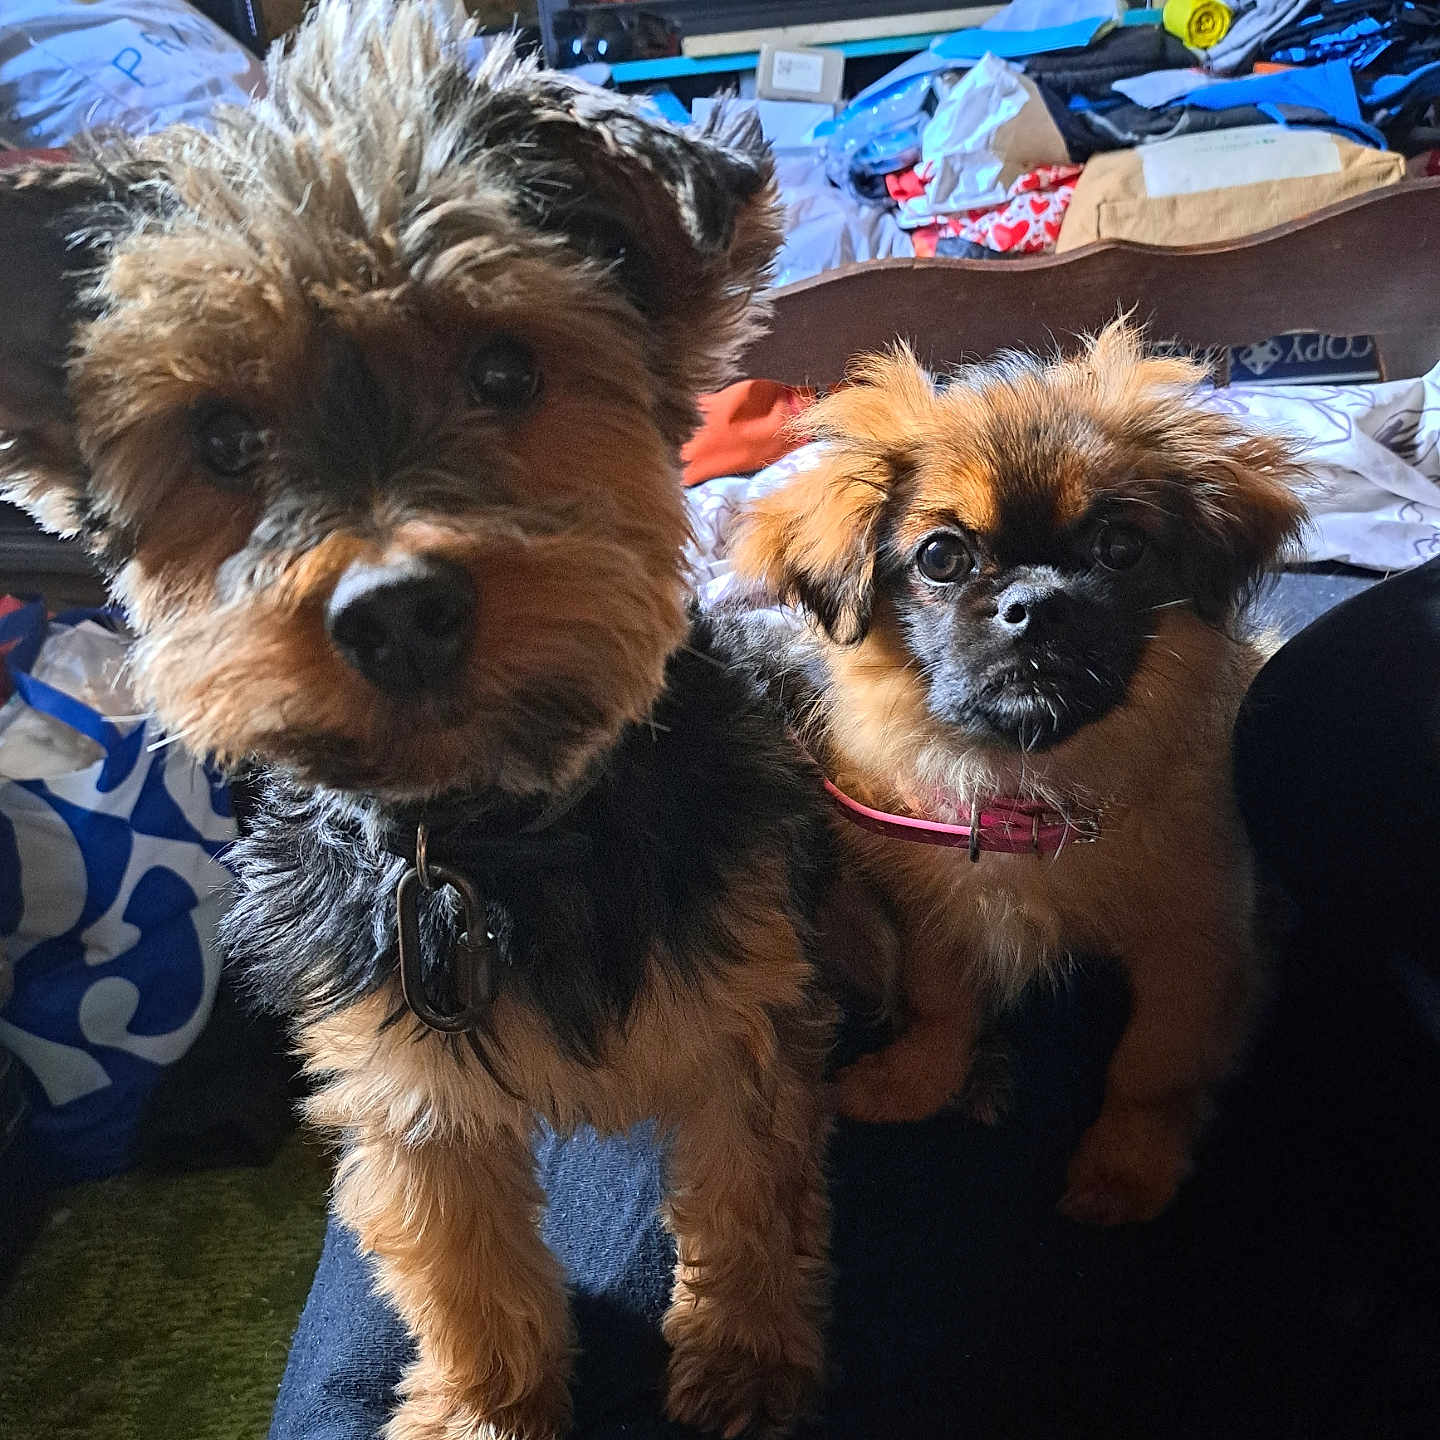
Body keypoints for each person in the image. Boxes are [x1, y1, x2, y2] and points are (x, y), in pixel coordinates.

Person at [270, 561, 1440, 1440]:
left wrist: (745, 1313)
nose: (391, 588)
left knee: (764, 1073)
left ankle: (736, 1313)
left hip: (682, 812)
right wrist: (488, 1389)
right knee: (412, 1217)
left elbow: (764, 1068)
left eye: (500, 379)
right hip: (386, 869)